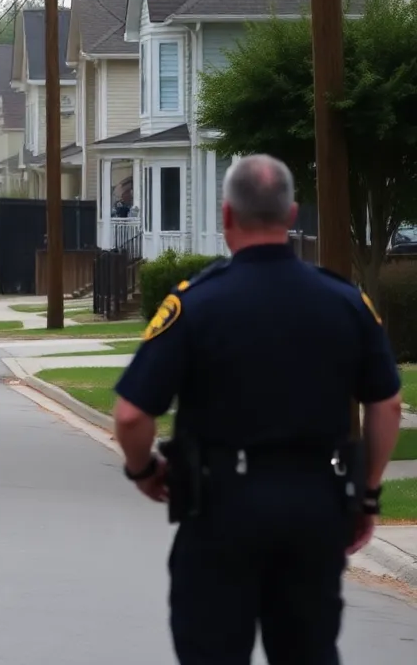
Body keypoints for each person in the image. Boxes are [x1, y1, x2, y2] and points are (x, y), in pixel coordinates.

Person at [111, 153, 404, 665]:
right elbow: (387, 402)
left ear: (226, 216)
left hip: (222, 511)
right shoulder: (344, 302)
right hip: (314, 510)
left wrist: (144, 469)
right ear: (292, 216)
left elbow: (133, 415)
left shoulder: (195, 304)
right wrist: (369, 495)